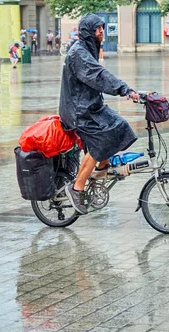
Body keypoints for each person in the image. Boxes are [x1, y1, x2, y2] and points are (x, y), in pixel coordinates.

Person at [59, 13, 139, 214]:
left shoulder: (88, 49)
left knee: (119, 126)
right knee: (99, 141)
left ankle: (97, 174)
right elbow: (98, 76)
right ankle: (76, 188)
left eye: (103, 27)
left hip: (91, 106)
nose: (102, 31)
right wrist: (123, 89)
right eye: (98, 28)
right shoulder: (79, 53)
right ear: (88, 32)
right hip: (78, 111)